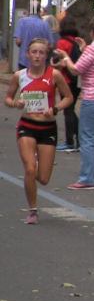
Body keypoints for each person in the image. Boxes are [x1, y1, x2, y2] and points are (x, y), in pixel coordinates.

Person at [4, 38, 73, 224]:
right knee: (29, 167)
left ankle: (33, 176)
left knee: (43, 178)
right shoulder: (19, 75)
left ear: (46, 55)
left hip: (47, 127)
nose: (37, 56)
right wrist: (16, 103)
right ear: (28, 54)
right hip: (27, 126)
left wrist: (56, 109)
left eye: (41, 52)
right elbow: (8, 99)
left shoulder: (54, 75)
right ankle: (33, 211)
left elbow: (69, 97)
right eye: (34, 52)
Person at [54, 17, 94, 191]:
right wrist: (83, 49)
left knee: (87, 138)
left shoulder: (92, 50)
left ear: (92, 32)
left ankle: (87, 178)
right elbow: (93, 63)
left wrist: (66, 57)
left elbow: (75, 69)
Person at [54, 16, 82, 152]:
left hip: (67, 79)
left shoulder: (62, 43)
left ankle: (70, 140)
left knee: (68, 110)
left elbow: (62, 63)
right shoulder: (79, 41)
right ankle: (79, 138)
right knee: (71, 108)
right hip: (78, 80)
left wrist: (56, 63)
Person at [14, 2, 54, 70]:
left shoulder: (22, 22)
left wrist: (25, 46)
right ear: (40, 10)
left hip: (24, 60)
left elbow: (18, 41)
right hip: (41, 62)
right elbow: (51, 45)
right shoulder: (45, 25)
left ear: (29, 10)